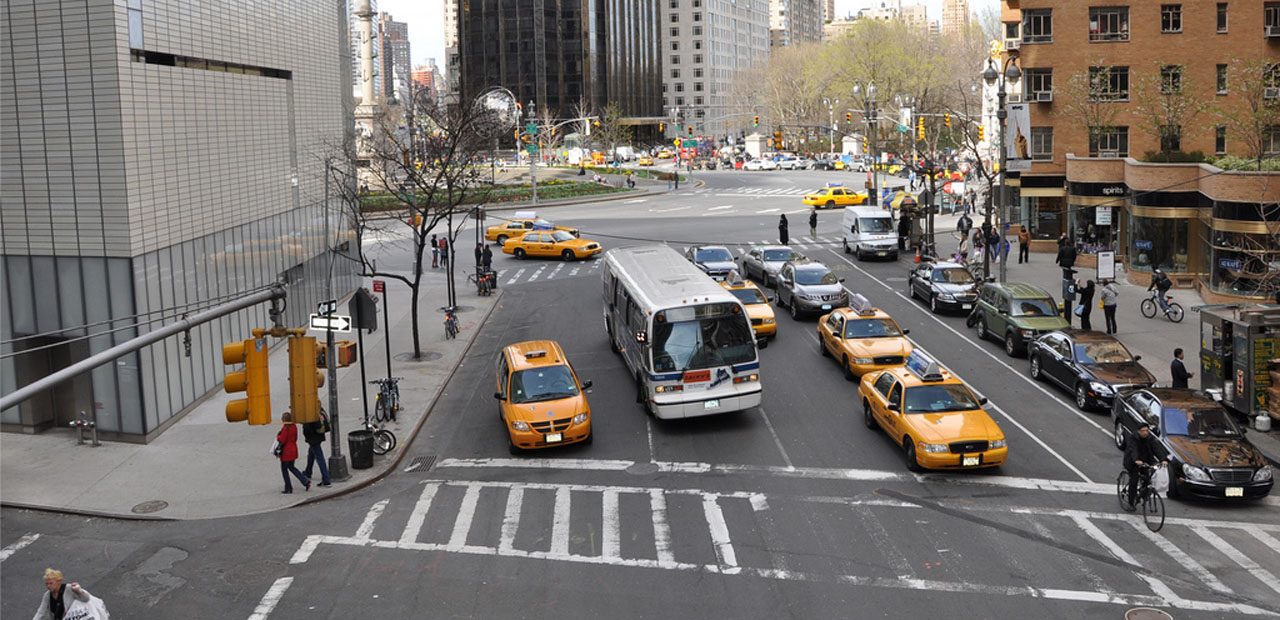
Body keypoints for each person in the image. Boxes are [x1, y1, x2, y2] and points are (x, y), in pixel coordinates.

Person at [1122, 422, 1168, 510]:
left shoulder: (1149, 438)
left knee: (1149, 479)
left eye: (1147, 431)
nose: (1145, 433)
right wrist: (1136, 460)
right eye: (1143, 431)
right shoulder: (1133, 438)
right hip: (1133, 462)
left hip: (1146, 461)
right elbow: (1133, 449)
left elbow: (1156, 449)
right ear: (1138, 431)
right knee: (1134, 481)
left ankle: (1143, 494)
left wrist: (1163, 459)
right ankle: (1131, 503)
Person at [277, 412, 310, 494]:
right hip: (293, 449)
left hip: (286, 452)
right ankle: (305, 481)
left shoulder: (285, 428)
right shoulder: (294, 427)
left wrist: (278, 437)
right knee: (292, 467)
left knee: (284, 470)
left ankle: (288, 487)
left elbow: (282, 440)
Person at [301, 414, 332, 487]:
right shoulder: (317, 408)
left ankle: (326, 480)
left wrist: (306, 435)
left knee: (320, 458)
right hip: (319, 435)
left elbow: (307, 429)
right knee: (311, 453)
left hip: (313, 438)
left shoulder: (308, 412)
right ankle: (308, 472)